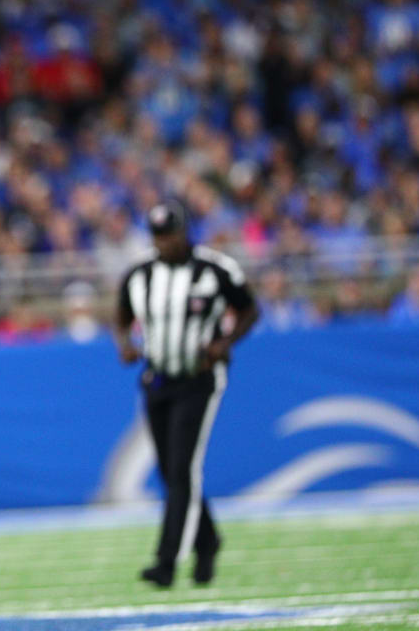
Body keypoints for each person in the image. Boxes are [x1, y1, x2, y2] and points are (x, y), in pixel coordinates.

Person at [114, 201, 258, 588]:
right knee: (170, 471)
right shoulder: (141, 273)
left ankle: (167, 561)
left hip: (199, 378)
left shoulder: (215, 268)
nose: (164, 244)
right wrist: (125, 344)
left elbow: (249, 309)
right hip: (158, 377)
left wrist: (225, 342)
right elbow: (122, 314)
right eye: (158, 237)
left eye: (170, 235)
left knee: (182, 470)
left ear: (184, 232)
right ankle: (208, 541)